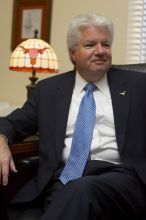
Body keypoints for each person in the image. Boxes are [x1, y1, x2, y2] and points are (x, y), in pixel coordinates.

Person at [0, 13, 146, 220]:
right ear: (72, 53)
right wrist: (1, 139)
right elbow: (12, 122)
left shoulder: (138, 85)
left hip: (121, 177)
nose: (100, 51)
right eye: (90, 45)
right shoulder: (48, 90)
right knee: (67, 195)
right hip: (64, 178)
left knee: (82, 189)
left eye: (106, 44)